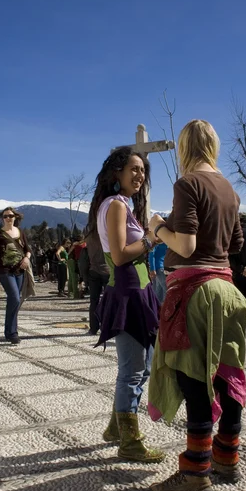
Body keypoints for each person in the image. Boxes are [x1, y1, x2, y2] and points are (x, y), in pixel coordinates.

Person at [147, 119, 246, 491]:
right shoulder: (229, 189)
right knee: (227, 374)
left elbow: (186, 247)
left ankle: (195, 471)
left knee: (195, 378)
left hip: (194, 292)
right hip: (227, 290)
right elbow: (234, 242)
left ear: (186, 148)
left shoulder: (187, 184)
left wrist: (158, 229)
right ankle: (227, 457)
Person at [87, 145, 165, 463]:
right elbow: (119, 255)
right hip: (128, 291)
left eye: (143, 170)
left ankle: (115, 428)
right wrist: (151, 238)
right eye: (133, 168)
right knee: (132, 371)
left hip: (140, 289)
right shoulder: (116, 204)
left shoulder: (125, 204)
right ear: (116, 172)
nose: (139, 174)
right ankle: (129, 442)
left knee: (142, 367)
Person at [0, 207, 33, 344]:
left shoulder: (20, 232)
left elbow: (28, 250)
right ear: (2, 219)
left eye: (10, 215)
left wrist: (27, 258)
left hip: (19, 271)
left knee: (15, 301)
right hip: (5, 271)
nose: (8, 218)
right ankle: (12, 332)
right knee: (14, 298)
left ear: (15, 217)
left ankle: (10, 332)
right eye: (5, 216)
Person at [85, 229, 109, 335]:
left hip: (93, 268)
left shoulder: (88, 233)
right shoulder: (105, 230)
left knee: (94, 300)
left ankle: (93, 328)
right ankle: (107, 326)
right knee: (108, 300)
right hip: (107, 269)